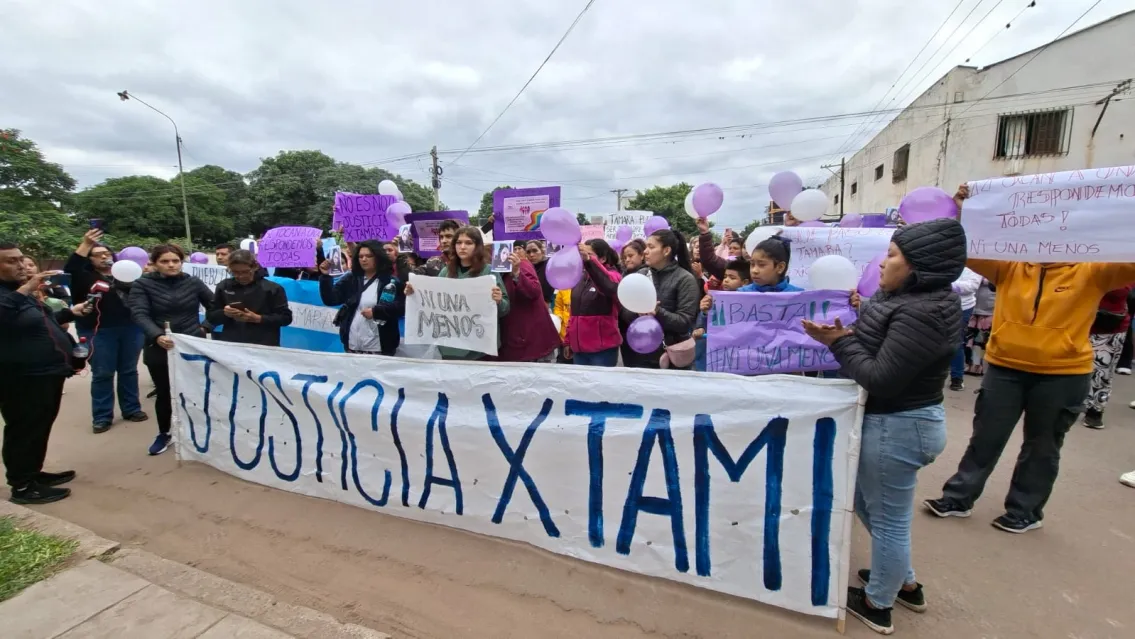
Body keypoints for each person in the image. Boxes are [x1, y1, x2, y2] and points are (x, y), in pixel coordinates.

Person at [926, 184, 1135, 534]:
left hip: (1063, 374)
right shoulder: (1009, 265)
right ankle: (958, 498)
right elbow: (966, 246)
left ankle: (1025, 511)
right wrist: (962, 209)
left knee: (1042, 447)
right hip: (1005, 369)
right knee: (985, 437)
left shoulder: (1093, 269)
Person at [802, 217, 966, 635]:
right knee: (867, 503)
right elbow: (880, 347)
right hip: (896, 423)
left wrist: (839, 343)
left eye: (892, 256)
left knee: (890, 519)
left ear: (917, 267)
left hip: (898, 426)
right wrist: (848, 332)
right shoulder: (908, 300)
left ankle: (878, 604)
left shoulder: (923, 312)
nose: (881, 263)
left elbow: (880, 377)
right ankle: (903, 581)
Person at [1, 242, 93, 504]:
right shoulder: (14, 294)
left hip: (46, 373)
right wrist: (25, 290)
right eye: (11, 261)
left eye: (21, 259)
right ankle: (22, 486)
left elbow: (42, 321)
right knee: (24, 429)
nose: (21, 265)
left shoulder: (18, 292)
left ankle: (33, 473)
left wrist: (70, 312)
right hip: (20, 377)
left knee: (39, 426)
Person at [128, 244, 214, 456]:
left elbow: (215, 307)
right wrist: (157, 335)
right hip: (159, 347)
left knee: (196, 390)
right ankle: (164, 433)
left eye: (175, 261)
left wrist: (204, 328)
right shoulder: (142, 284)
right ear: (154, 263)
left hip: (191, 345)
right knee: (165, 393)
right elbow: (139, 314)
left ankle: (200, 432)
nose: (171, 265)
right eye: (165, 261)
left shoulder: (193, 282)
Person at [64, 229, 148, 433]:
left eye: (107, 253)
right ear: (89, 259)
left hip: (130, 328)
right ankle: (102, 417)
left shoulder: (125, 274)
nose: (103, 257)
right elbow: (71, 267)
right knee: (103, 373)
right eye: (97, 255)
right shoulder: (83, 277)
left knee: (129, 370)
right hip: (97, 330)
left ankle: (132, 409)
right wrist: (86, 244)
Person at [406, 226, 509, 361]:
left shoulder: (489, 271)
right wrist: (413, 293)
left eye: (468, 243)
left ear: (477, 246)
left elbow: (505, 309)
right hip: (450, 346)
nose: (462, 247)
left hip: (479, 349)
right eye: (459, 243)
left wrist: (499, 300)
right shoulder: (446, 272)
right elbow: (433, 304)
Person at [621, 230, 700, 369]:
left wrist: (658, 312)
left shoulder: (685, 279)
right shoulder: (641, 275)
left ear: (666, 251)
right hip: (640, 352)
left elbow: (684, 322)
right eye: (646, 247)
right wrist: (637, 312)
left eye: (651, 247)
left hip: (672, 356)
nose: (645, 251)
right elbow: (625, 313)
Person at [319, 240, 404, 356]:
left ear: (378, 257)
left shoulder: (391, 281)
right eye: (360, 256)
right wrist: (325, 276)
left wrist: (376, 312)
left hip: (380, 348)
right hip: (352, 346)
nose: (364, 259)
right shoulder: (350, 278)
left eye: (369, 256)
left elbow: (401, 307)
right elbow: (330, 299)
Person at [206, 249, 293, 346]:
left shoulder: (273, 289)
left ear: (255, 267)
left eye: (245, 272)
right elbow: (211, 317)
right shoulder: (224, 286)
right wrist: (225, 313)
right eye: (235, 272)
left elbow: (286, 318)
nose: (240, 276)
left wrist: (259, 318)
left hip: (264, 345)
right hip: (232, 344)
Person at [566, 239, 623, 367]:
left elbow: (609, 287)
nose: (583, 258)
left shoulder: (614, 276)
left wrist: (590, 261)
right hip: (579, 351)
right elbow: (572, 314)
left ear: (602, 259)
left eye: (589, 254)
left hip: (602, 351)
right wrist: (568, 341)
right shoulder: (579, 278)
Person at [1081, 286, 1132, 429]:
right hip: (1075, 321)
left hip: (1109, 323)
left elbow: (1121, 290)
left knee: (1102, 372)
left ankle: (1095, 411)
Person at [499, 246, 560, 363]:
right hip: (515, 340)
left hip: (529, 341)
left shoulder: (522, 265)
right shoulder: (499, 272)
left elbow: (534, 290)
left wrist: (517, 273)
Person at [694, 258, 752, 371]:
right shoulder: (713, 299)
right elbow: (702, 327)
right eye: (725, 277)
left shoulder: (751, 304)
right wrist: (705, 313)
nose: (726, 280)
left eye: (732, 278)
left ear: (745, 283)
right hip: (714, 360)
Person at [948, 267, 983, 391]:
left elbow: (972, 285)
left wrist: (948, 285)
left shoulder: (974, 262)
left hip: (963, 306)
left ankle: (957, 378)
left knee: (956, 341)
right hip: (939, 302)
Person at [619, 239, 650, 367]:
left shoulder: (647, 274)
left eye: (631, 256)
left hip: (640, 330)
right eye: (624, 257)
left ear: (642, 256)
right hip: (625, 329)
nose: (627, 260)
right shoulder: (623, 275)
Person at [964, 278, 995, 376]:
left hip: (988, 309)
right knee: (969, 339)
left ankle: (979, 366)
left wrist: (981, 279)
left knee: (981, 341)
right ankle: (970, 364)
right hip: (972, 306)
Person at [524, 240, 555, 306]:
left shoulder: (549, 265)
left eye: (535, 251)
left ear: (542, 251)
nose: (531, 255)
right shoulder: (526, 268)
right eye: (528, 252)